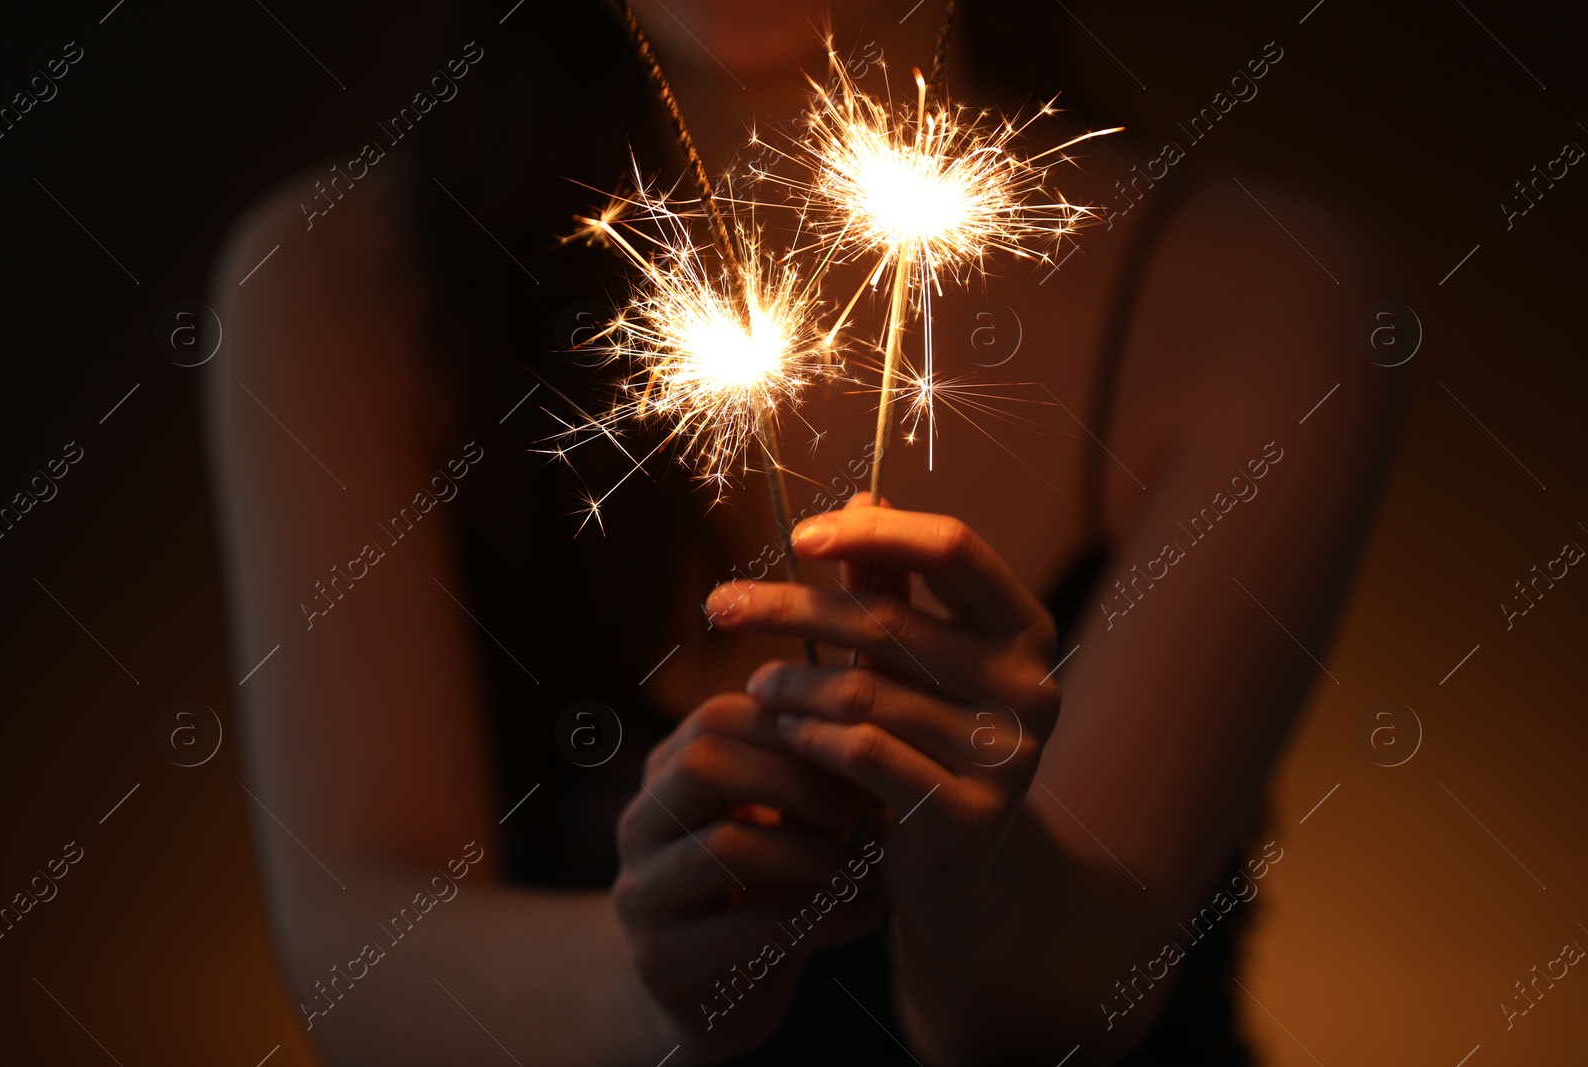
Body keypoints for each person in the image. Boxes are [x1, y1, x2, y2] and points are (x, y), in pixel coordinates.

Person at [207, 1, 1405, 1063]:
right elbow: (364, 956)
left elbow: (1064, 1006)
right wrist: (657, 984)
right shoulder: (343, 281)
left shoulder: (1279, 295)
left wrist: (975, 888)